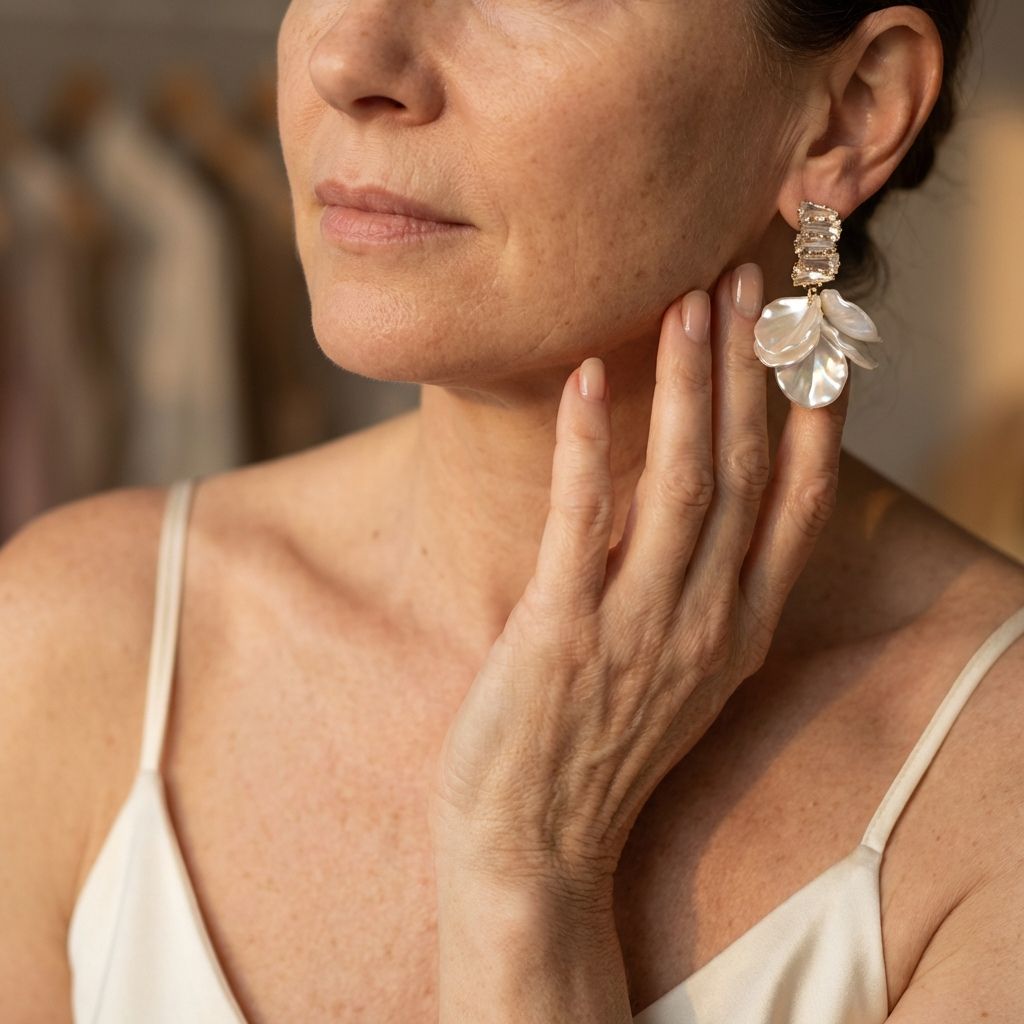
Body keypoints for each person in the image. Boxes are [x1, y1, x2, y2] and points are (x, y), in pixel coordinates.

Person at [2, 1, 1022, 1021]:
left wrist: (529, 872)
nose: (346, 57)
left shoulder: (993, 794)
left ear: (852, 110)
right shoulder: (72, 642)